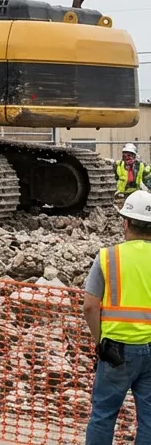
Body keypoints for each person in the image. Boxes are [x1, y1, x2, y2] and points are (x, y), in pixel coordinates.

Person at [83, 189, 151, 445]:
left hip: (116, 351)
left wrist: (99, 341)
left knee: (103, 415)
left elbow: (90, 307)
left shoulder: (108, 257)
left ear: (125, 223)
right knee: (149, 420)